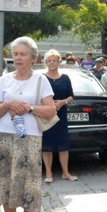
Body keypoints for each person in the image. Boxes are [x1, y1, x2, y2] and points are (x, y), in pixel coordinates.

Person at [0, 37, 56, 212]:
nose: (17, 58)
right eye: (15, 54)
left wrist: (29, 108)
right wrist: (8, 104)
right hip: (5, 138)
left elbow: (51, 111)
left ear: (33, 58)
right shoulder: (4, 80)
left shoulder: (40, 81)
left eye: (22, 54)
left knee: (29, 186)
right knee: (7, 185)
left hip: (30, 140)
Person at [41, 49, 77, 183]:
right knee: (47, 145)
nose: (52, 63)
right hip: (47, 114)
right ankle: (49, 174)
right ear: (46, 62)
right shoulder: (42, 78)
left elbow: (71, 96)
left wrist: (63, 102)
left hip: (61, 114)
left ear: (58, 62)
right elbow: (38, 95)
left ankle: (65, 172)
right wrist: (50, 105)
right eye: (49, 60)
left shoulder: (65, 78)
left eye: (54, 60)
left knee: (63, 145)